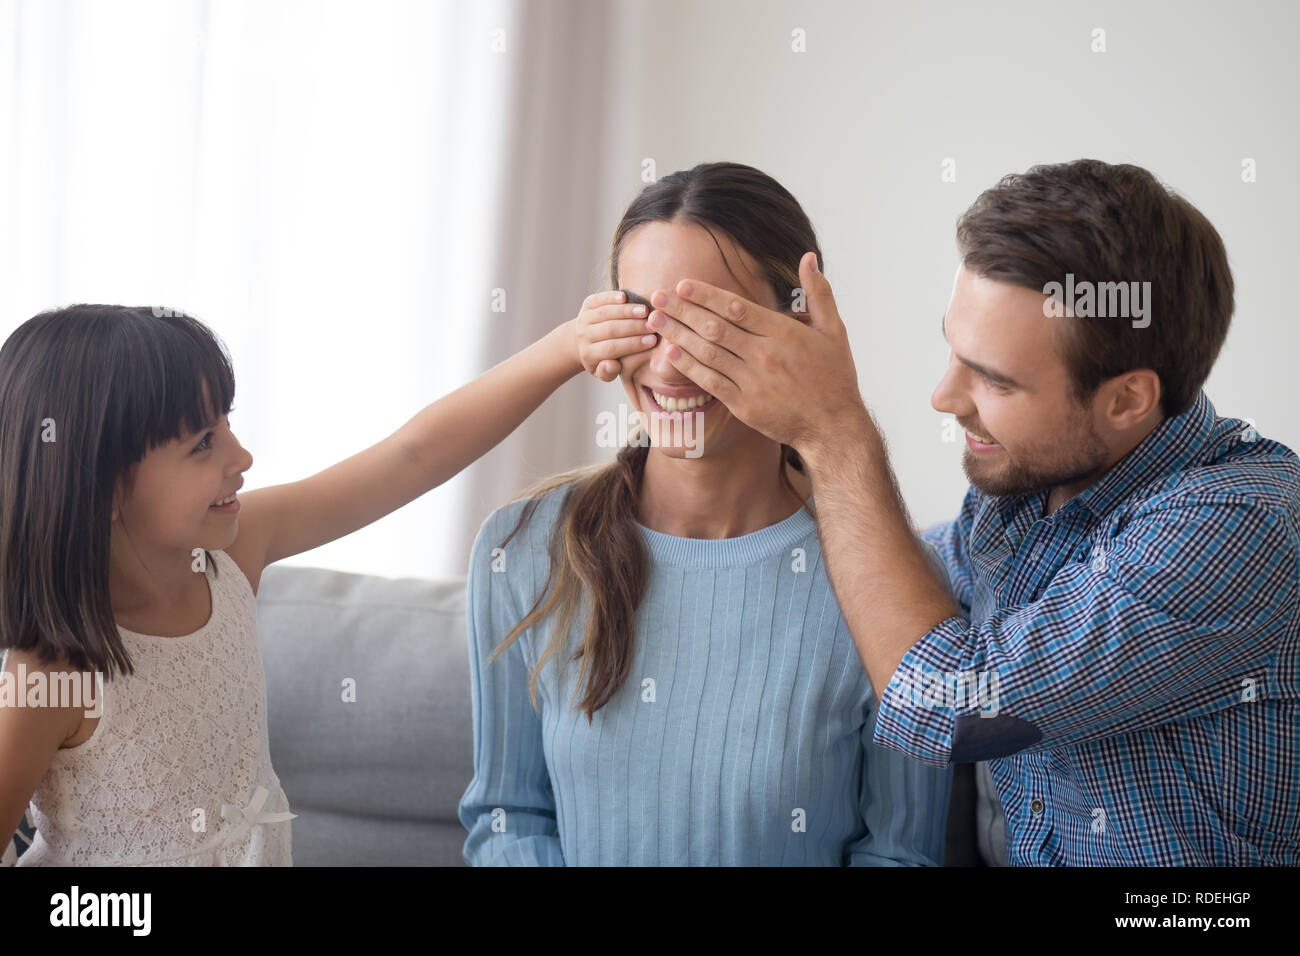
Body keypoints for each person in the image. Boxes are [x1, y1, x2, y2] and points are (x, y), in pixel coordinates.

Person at [646, 158, 1300, 865]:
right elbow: (895, 582)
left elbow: (951, 701)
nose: (945, 397)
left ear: (1127, 401)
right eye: (956, 353)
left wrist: (835, 433)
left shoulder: (1241, 525)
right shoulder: (1020, 501)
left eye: (991, 379)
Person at [0, 299, 647, 865]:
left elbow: (412, 455)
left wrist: (566, 347)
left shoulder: (230, 560)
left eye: (227, 421)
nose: (240, 457)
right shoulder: (49, 677)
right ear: (104, 484)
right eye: (203, 442)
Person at [459, 162, 955, 866]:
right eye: (642, 316)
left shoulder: (891, 589)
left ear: (799, 324)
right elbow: (507, 820)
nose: (666, 365)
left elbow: (900, 854)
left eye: (709, 324)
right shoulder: (522, 550)